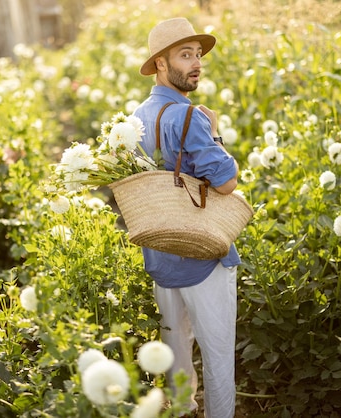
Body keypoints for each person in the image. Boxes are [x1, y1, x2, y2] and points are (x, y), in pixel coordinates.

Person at [133, 17, 240, 418]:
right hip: (203, 253)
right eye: (184, 55)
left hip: (161, 253)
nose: (196, 63)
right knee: (217, 358)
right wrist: (213, 132)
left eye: (198, 54)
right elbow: (227, 182)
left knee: (176, 356)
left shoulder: (136, 117)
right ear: (161, 63)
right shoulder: (190, 116)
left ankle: (181, 412)